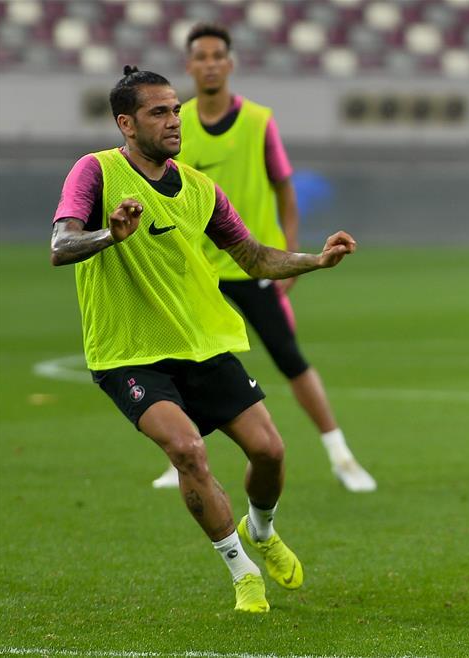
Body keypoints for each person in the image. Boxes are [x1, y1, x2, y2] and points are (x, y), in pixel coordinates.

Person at [50, 67, 357, 613]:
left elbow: (255, 257)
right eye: (159, 112)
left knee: (270, 451)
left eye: (176, 110)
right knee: (188, 450)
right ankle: (242, 570)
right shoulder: (94, 171)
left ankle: (261, 529)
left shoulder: (199, 188)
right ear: (126, 122)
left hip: (201, 343)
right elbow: (61, 244)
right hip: (128, 354)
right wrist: (109, 235)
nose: (174, 121)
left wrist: (316, 259)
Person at [148, 22, 375, 492]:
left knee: (290, 359)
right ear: (188, 66)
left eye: (217, 55)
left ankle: (341, 454)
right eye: (201, 56)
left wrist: (291, 259)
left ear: (229, 64)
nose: (209, 63)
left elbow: (284, 191)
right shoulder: (176, 124)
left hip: (254, 266)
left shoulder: (257, 121)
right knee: (187, 362)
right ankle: (181, 456)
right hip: (199, 271)